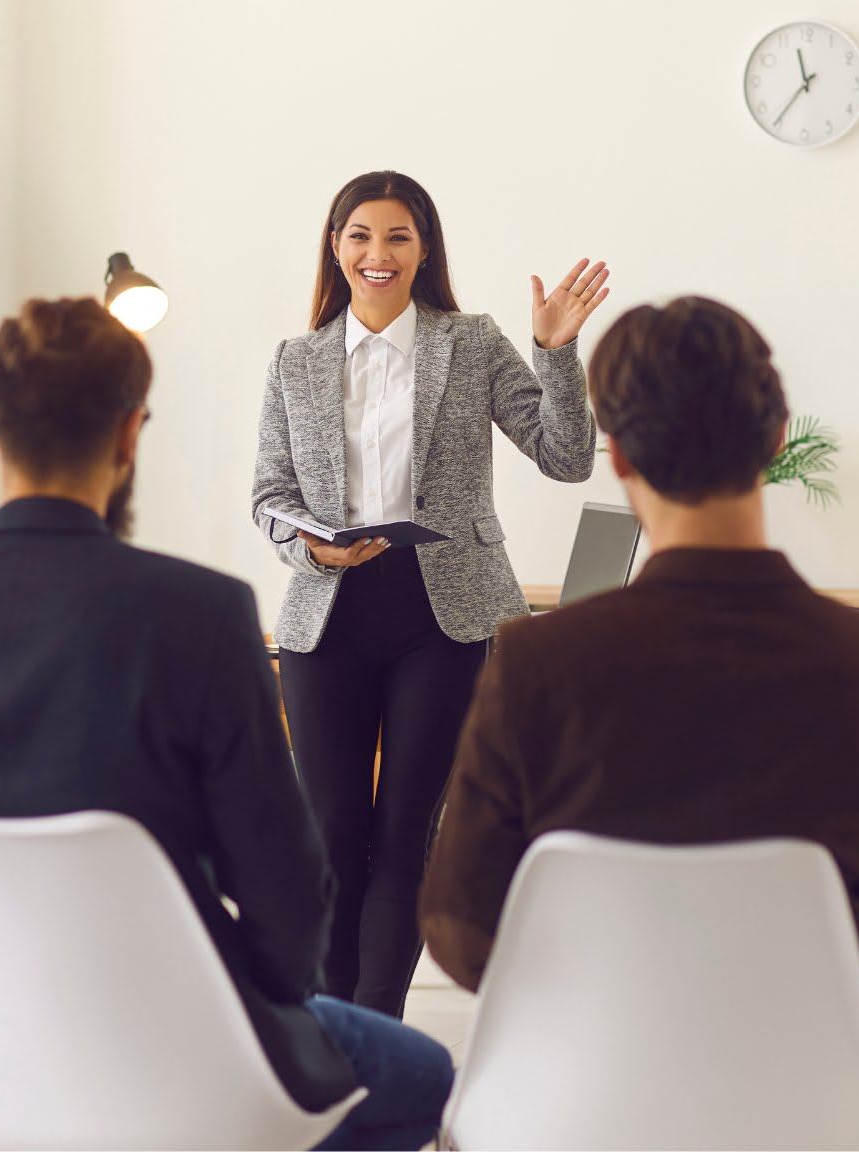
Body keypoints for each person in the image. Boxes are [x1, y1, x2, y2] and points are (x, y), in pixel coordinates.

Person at [0, 297, 453, 1151]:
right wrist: (261, 1006)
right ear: (131, 435)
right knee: (426, 1074)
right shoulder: (200, 614)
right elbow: (286, 896)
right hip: (177, 1048)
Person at [419, 295, 859, 1048]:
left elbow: (461, 933)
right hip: (797, 1092)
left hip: (584, 1091)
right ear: (777, 440)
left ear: (620, 457)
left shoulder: (538, 664)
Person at [251, 170, 609, 1018]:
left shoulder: (472, 341)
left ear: (424, 250)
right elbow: (267, 492)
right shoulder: (295, 360)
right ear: (336, 247)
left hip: (443, 615)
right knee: (331, 836)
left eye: (398, 238)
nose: (378, 254)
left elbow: (567, 457)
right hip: (329, 611)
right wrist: (304, 542)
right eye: (361, 237)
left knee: (405, 834)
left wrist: (555, 352)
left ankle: (378, 1028)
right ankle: (329, 1031)